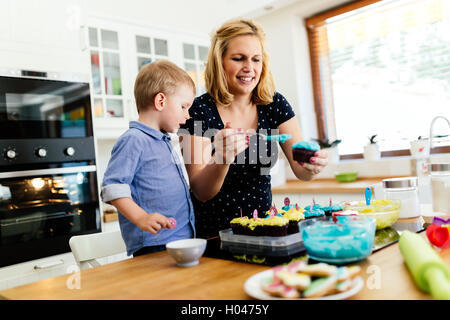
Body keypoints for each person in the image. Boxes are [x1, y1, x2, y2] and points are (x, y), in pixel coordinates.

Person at [179, 19, 328, 239]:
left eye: (256, 59)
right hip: (215, 237)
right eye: (239, 58)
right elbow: (201, 192)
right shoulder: (197, 110)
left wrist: (311, 166)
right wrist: (222, 157)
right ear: (219, 62)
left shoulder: (274, 104)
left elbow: (301, 170)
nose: (249, 67)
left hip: (267, 230)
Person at [101, 60, 196, 257]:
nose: (188, 115)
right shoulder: (134, 140)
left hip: (180, 237)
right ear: (160, 101)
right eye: (184, 106)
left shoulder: (163, 140)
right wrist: (141, 218)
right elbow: (112, 187)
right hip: (155, 243)